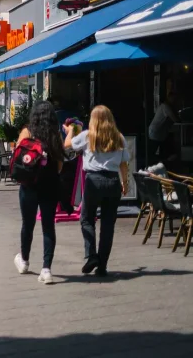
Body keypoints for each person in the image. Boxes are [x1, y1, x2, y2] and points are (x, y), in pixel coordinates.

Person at [65, 105, 130, 277]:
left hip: (93, 180)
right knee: (108, 225)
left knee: (86, 218)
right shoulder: (119, 138)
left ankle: (91, 254)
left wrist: (70, 131)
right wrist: (125, 183)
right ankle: (102, 265)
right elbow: (124, 164)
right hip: (112, 181)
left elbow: (67, 146)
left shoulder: (87, 136)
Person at [13, 101, 65, 285]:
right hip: (50, 185)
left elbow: (18, 158)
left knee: (27, 224)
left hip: (29, 186)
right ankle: (46, 269)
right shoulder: (55, 135)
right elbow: (59, 165)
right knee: (48, 226)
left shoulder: (27, 132)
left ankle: (25, 260)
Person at [147, 92, 178, 163]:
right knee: (153, 151)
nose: (175, 101)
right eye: (174, 99)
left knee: (157, 149)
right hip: (156, 132)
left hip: (159, 132)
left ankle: (162, 161)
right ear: (170, 98)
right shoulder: (165, 107)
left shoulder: (165, 106)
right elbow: (175, 119)